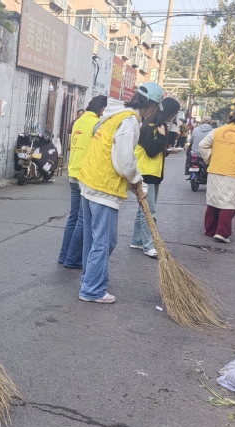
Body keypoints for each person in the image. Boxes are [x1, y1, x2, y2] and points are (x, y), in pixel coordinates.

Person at [77, 82, 163, 304]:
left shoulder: (116, 113)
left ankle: (89, 280)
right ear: (153, 107)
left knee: (93, 239)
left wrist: (137, 182)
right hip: (103, 187)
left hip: (90, 181)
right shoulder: (130, 121)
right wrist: (137, 181)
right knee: (104, 241)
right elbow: (124, 161)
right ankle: (92, 289)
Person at [58, 95, 107, 269]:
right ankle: (72, 259)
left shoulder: (78, 121)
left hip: (73, 171)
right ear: (102, 109)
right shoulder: (97, 124)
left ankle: (64, 255)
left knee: (74, 216)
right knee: (82, 219)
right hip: (86, 175)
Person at [130, 97, 181, 259]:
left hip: (151, 173)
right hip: (147, 173)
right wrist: (162, 137)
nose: (173, 116)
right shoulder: (153, 126)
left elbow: (154, 151)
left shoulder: (152, 124)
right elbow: (152, 151)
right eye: (173, 113)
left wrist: (168, 151)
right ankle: (149, 245)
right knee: (149, 211)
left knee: (143, 209)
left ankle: (137, 240)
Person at [199, 108, 235, 243]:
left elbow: (202, 145)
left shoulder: (218, 130)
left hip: (215, 171)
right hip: (234, 174)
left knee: (213, 201)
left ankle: (210, 230)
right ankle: (222, 233)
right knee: (229, 203)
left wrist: (211, 158)